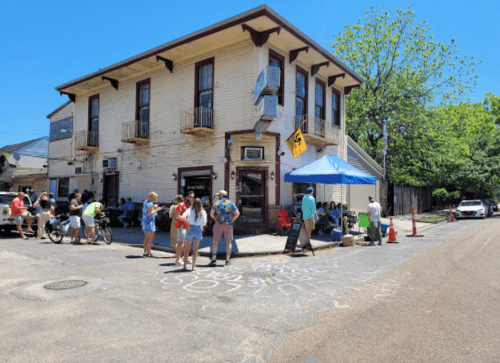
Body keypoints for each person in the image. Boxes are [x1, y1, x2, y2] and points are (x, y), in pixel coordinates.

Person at [209, 190, 240, 267]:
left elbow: (211, 213)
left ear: (221, 195)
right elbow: (237, 213)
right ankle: (227, 260)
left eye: (219, 195)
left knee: (215, 242)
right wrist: (231, 221)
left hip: (218, 224)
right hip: (228, 225)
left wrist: (216, 220)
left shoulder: (216, 203)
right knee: (228, 242)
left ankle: (213, 260)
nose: (218, 196)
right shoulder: (231, 203)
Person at [179, 198, 206, 271]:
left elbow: (182, 217)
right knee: (195, 249)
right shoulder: (203, 212)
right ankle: (193, 267)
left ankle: (185, 265)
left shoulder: (189, 210)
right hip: (198, 229)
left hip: (190, 228)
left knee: (187, 249)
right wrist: (201, 226)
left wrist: (187, 224)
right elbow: (204, 222)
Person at [141, 192, 162, 257]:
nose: (155, 199)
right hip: (149, 222)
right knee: (150, 238)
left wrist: (153, 207)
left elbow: (148, 210)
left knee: (146, 238)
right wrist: (157, 210)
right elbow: (149, 213)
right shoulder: (150, 203)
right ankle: (148, 252)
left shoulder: (145, 202)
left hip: (144, 221)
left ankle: (145, 251)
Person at [174, 194, 192, 265]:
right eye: (190, 197)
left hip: (187, 227)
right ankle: (178, 259)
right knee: (181, 243)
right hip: (182, 227)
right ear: (186, 197)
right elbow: (177, 216)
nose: (191, 198)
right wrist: (185, 220)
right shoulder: (181, 205)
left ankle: (185, 258)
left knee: (186, 243)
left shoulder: (190, 205)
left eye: (192, 197)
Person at [169, 195, 184, 265]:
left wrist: (171, 208)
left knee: (175, 241)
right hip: (182, 225)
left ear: (177, 200)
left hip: (175, 225)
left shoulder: (174, 207)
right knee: (181, 241)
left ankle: (178, 256)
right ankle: (180, 255)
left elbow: (170, 215)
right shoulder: (184, 206)